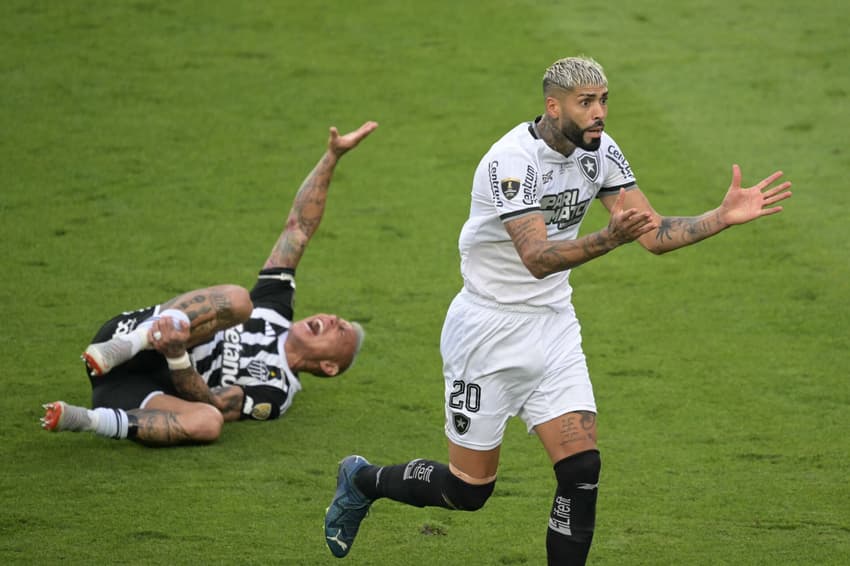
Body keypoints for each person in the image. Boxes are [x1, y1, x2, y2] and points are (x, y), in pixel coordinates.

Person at [324, 57, 792, 564]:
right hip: (487, 331)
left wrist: (719, 217)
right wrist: (607, 238)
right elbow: (537, 259)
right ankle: (362, 479)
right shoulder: (511, 161)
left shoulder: (601, 153)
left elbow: (652, 235)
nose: (600, 113)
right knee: (468, 491)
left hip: (552, 328)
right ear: (554, 105)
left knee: (581, 468)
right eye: (586, 103)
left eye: (604, 100)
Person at [41, 121, 379, 447]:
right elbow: (298, 231)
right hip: (130, 338)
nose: (334, 320)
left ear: (329, 367)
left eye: (341, 331)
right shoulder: (274, 308)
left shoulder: (276, 392)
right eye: (338, 320)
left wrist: (177, 357)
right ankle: (131, 342)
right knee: (240, 300)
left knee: (208, 423)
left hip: (140, 393)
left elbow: (218, 403)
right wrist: (332, 157)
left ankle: (87, 420)